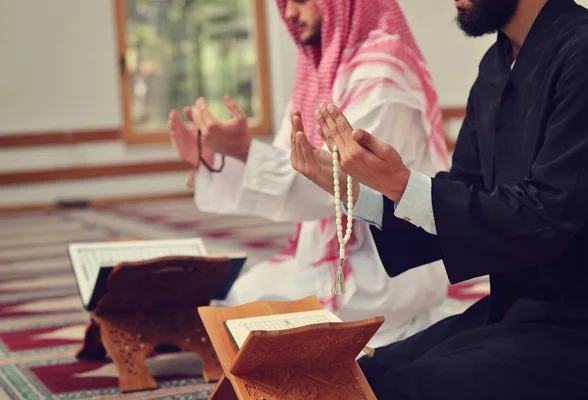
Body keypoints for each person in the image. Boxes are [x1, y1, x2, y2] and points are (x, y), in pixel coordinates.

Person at [291, 0, 588, 397]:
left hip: (584, 323)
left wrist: (402, 185)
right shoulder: (495, 67)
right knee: (364, 370)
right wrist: (353, 190)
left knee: (407, 386)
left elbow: (544, 217)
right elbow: (465, 199)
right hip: (517, 306)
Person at [169, 0, 452, 349]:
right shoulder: (322, 68)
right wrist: (215, 156)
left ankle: (405, 335)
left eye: (300, 1)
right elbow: (289, 160)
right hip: (327, 257)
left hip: (386, 267)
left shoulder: (382, 69)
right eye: (284, 4)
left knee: (251, 322)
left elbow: (339, 183)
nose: (289, 14)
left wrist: (243, 150)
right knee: (233, 299)